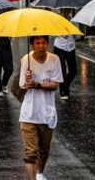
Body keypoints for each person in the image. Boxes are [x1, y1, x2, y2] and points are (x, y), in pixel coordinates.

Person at [19, 35, 63, 180]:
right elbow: (21, 86)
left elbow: (55, 85)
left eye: (43, 42)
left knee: (43, 151)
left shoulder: (54, 59)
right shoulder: (26, 60)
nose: (41, 46)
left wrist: (37, 85)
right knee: (30, 153)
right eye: (37, 43)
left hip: (47, 113)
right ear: (32, 45)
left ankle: (40, 173)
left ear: (48, 44)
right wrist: (27, 80)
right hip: (29, 113)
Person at [52, 30, 79, 100]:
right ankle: (63, 91)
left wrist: (74, 33)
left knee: (73, 71)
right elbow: (51, 31)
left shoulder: (74, 21)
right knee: (62, 69)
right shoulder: (57, 20)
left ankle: (66, 86)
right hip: (59, 46)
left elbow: (78, 35)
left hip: (71, 46)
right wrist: (59, 33)